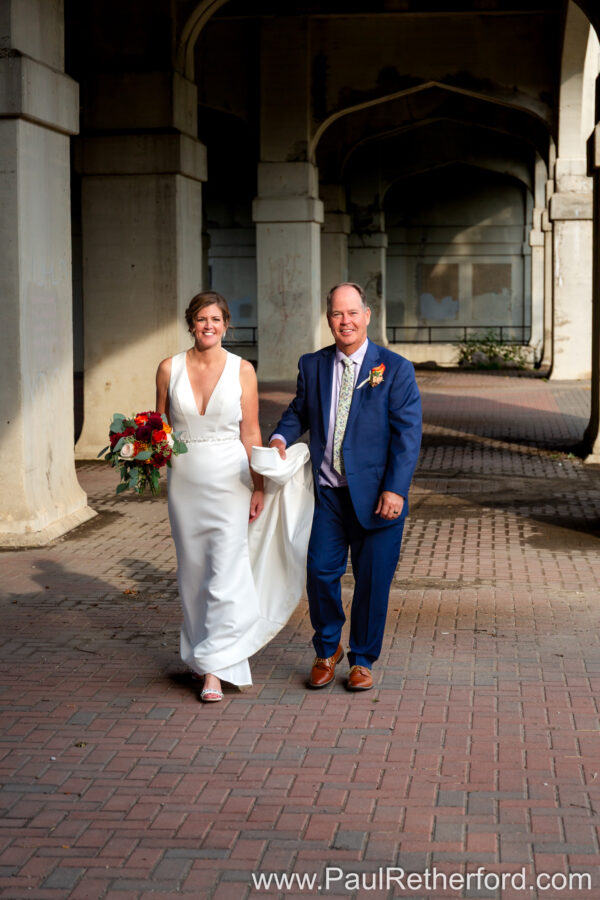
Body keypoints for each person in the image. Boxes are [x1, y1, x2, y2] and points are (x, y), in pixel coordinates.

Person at [270, 282, 422, 691]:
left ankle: (362, 659)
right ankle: (327, 649)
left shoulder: (395, 369)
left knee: (372, 581)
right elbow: (297, 411)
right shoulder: (313, 365)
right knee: (320, 571)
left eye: (352, 313)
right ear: (329, 319)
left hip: (377, 497)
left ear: (367, 316)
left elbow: (408, 436)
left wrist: (396, 489)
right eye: (338, 314)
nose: (345, 321)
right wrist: (280, 439)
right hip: (329, 495)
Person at [155, 291, 266, 702]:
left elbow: (251, 432)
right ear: (191, 323)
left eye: (216, 319)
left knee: (226, 570)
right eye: (202, 319)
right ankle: (202, 656)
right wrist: (144, 454)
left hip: (231, 479)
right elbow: (160, 430)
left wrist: (258, 485)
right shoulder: (169, 368)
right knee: (194, 573)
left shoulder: (243, 370)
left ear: (226, 324)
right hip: (184, 480)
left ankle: (216, 669)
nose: (209, 326)